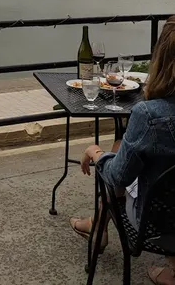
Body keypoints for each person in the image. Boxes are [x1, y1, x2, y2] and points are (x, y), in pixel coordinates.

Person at [70, 16, 175, 285]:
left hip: (156, 225)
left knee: (116, 162)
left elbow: (118, 177)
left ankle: (97, 226)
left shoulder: (150, 115)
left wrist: (94, 152)